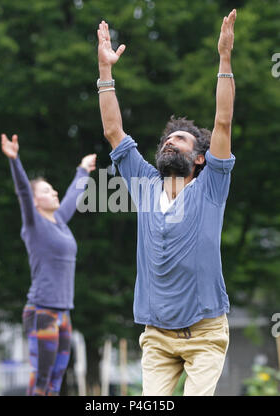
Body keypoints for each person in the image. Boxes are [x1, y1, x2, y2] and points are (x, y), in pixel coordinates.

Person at [97, 9, 236, 396]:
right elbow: (113, 130)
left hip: (206, 332)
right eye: (166, 139)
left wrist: (224, 58)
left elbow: (222, 123)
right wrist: (105, 72)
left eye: (179, 140)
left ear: (199, 159)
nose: (168, 142)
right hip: (157, 335)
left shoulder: (211, 185)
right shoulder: (144, 183)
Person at [1, 133, 96, 396]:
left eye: (52, 189)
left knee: (56, 379)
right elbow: (22, 190)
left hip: (64, 312)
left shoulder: (60, 223)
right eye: (46, 190)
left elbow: (71, 198)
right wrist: (14, 160)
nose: (53, 192)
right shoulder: (34, 225)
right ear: (34, 201)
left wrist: (83, 170)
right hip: (42, 311)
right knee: (42, 378)